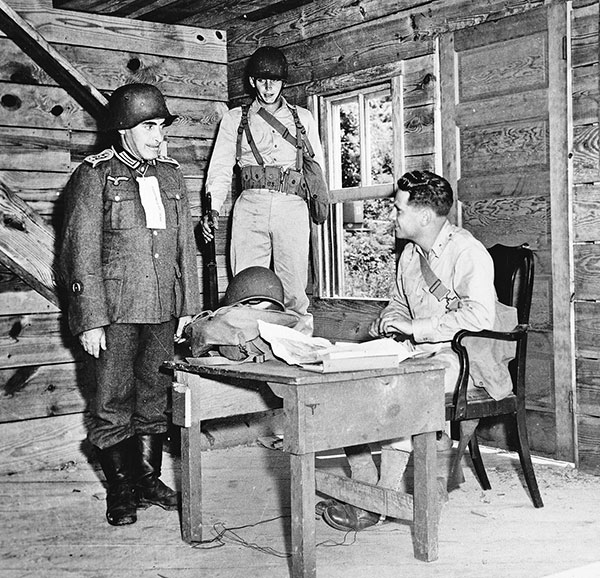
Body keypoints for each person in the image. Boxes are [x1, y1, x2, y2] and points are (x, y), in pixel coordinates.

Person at [321, 169, 516, 532]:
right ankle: (364, 484)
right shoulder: (411, 254)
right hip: (419, 352)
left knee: (405, 391)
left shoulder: (466, 251)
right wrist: (390, 320)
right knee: (344, 380)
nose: (392, 216)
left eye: (398, 209)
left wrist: (417, 328)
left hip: (464, 356)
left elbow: (479, 315)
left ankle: (378, 500)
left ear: (424, 216)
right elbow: (398, 303)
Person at [59, 83, 201, 527]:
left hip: (162, 306)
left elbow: (183, 247)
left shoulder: (172, 175)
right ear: (123, 129)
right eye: (149, 127)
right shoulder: (94, 175)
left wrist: (188, 307)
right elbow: (78, 251)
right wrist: (90, 319)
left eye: (162, 127)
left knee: (155, 396)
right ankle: (119, 490)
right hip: (116, 309)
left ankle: (147, 478)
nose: (159, 136)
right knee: (110, 398)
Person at [201, 46, 325, 335]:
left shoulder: (302, 118)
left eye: (275, 80)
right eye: (262, 79)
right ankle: (247, 350)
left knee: (294, 289)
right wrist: (213, 208)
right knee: (246, 287)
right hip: (250, 206)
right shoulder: (235, 118)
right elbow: (219, 168)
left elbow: (316, 168)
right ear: (252, 82)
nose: (269, 87)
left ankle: (299, 350)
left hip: (291, 205)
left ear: (283, 82)